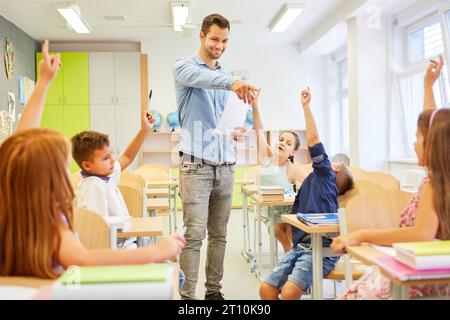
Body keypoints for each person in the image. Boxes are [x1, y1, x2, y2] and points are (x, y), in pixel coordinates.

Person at [0, 40, 186, 281]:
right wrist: (154, 252)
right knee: (174, 278)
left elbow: (21, 140)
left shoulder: (12, 204)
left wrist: (44, 82)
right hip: (73, 284)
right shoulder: (49, 219)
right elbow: (84, 259)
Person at [331, 56, 450, 299]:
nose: (413, 143)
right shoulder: (443, 176)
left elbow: (421, 235)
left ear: (432, 144)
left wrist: (362, 234)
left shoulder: (433, 184)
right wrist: (428, 86)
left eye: (417, 138)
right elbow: (436, 126)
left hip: (416, 283)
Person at [173, 13, 259, 300]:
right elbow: (204, 78)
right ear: (201, 36)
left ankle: (214, 293)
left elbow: (227, 121)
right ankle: (187, 297)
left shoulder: (226, 77)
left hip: (225, 164)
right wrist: (232, 82)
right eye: (214, 39)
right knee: (194, 235)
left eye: (224, 41)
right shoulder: (184, 68)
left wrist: (238, 131)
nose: (219, 45)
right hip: (196, 165)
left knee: (220, 236)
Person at [259, 88, 354, 300]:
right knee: (266, 289)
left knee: (291, 291)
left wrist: (306, 107)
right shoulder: (313, 180)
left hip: (322, 248)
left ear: (335, 169)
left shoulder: (324, 175)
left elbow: (313, 138)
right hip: (302, 245)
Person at [72, 113, 152, 249]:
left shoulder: (103, 176)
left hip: (122, 242)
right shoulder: (93, 187)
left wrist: (144, 131)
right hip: (114, 248)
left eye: (111, 155)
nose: (112, 160)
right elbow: (95, 229)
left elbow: (127, 157)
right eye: (106, 158)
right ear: (87, 165)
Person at [251, 90, 310, 253]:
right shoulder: (266, 157)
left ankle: (291, 258)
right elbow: (259, 130)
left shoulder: (293, 168)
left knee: (290, 229)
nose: (283, 143)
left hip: (289, 210)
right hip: (270, 210)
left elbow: (312, 184)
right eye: (281, 139)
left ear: (293, 152)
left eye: (288, 143)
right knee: (278, 230)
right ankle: (291, 256)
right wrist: (254, 104)